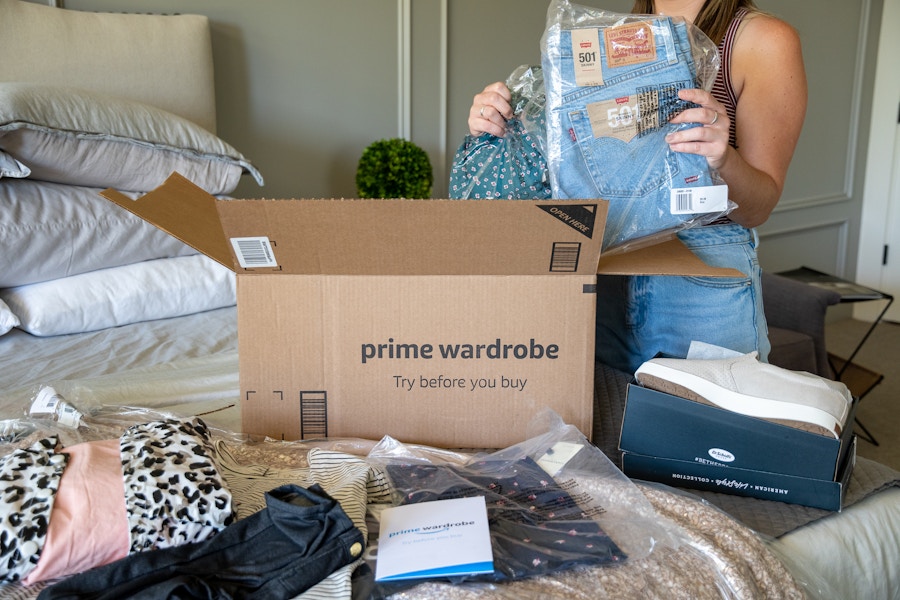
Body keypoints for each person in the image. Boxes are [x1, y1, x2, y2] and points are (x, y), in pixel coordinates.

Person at [466, 0, 807, 374]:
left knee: (705, 429)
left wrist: (723, 159)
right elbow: (565, 168)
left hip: (702, 283)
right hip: (603, 268)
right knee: (600, 427)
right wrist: (499, 123)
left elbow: (759, 207)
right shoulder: (608, 36)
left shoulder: (763, 40)